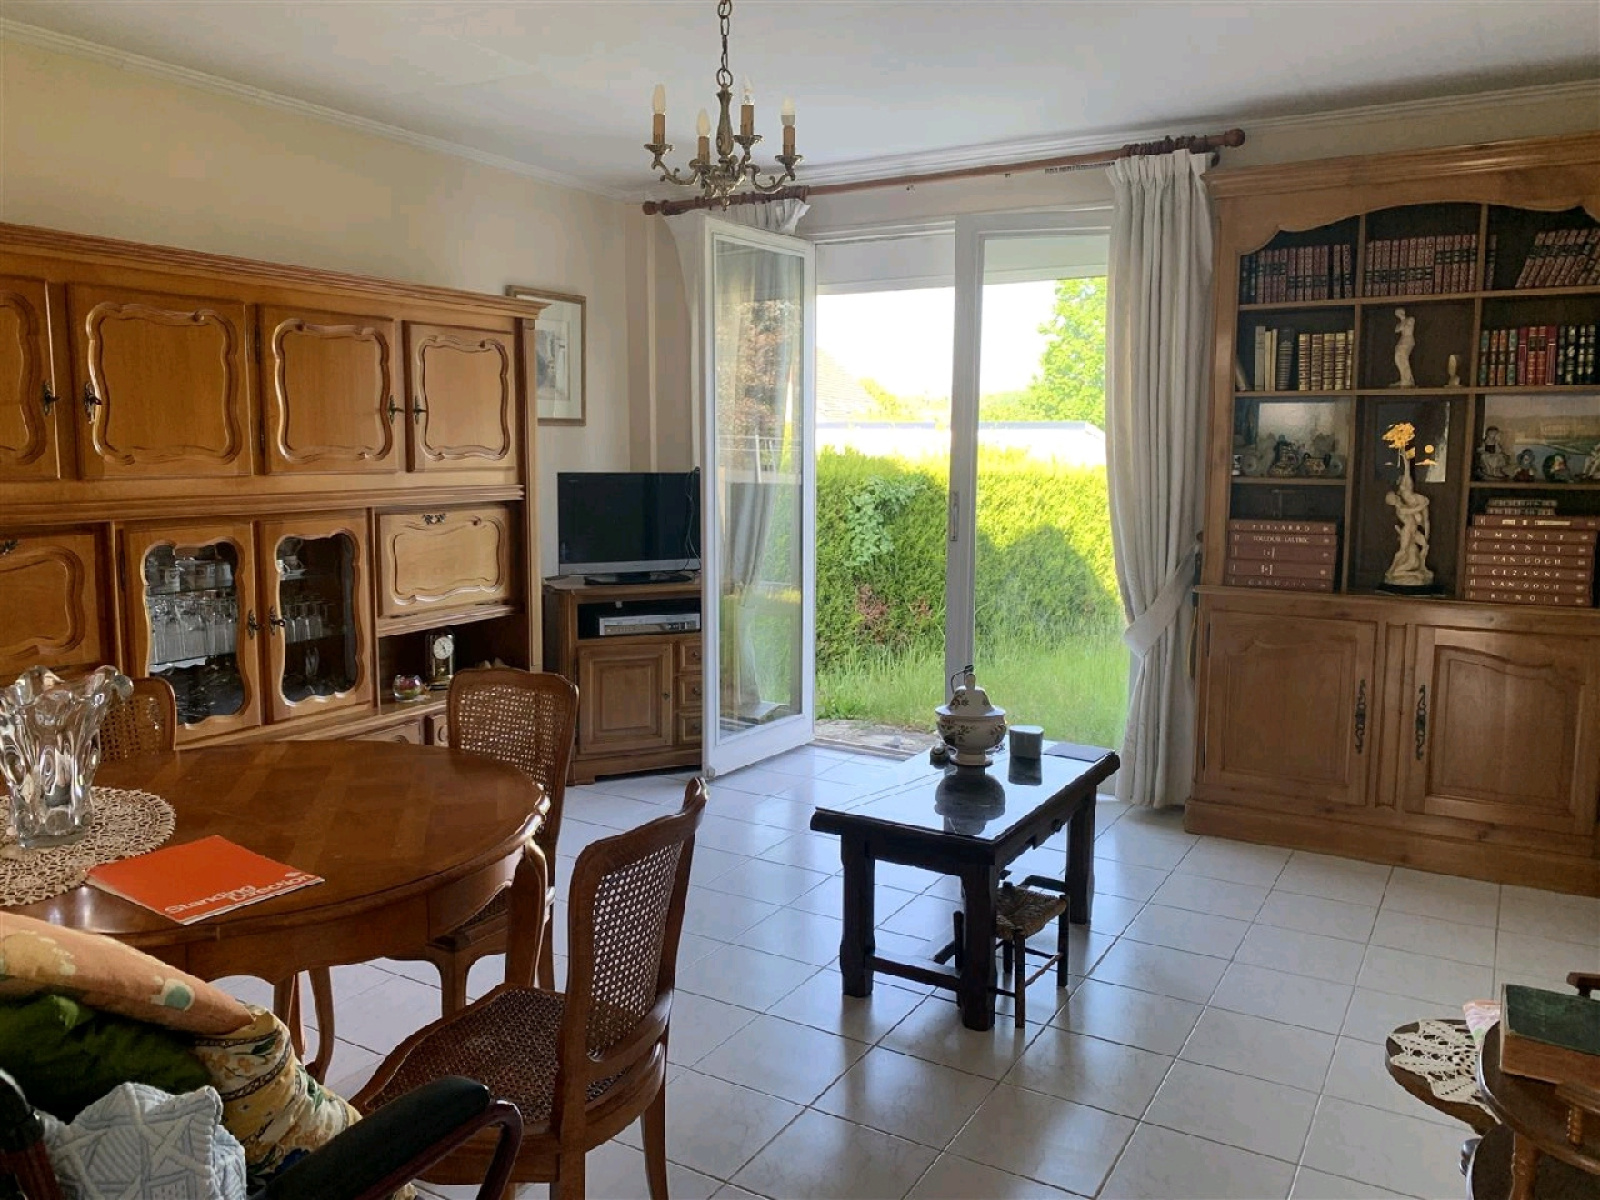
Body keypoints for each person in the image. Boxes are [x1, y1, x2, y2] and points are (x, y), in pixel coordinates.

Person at [1392, 308, 1416, 388]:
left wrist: (1403, 321)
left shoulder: (1410, 319)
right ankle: (1405, 378)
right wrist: (1402, 322)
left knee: (1402, 358)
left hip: (1407, 340)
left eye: (1399, 313)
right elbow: (1397, 329)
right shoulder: (1401, 323)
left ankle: (1407, 380)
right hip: (1402, 340)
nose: (1399, 315)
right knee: (1398, 359)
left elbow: (1406, 326)